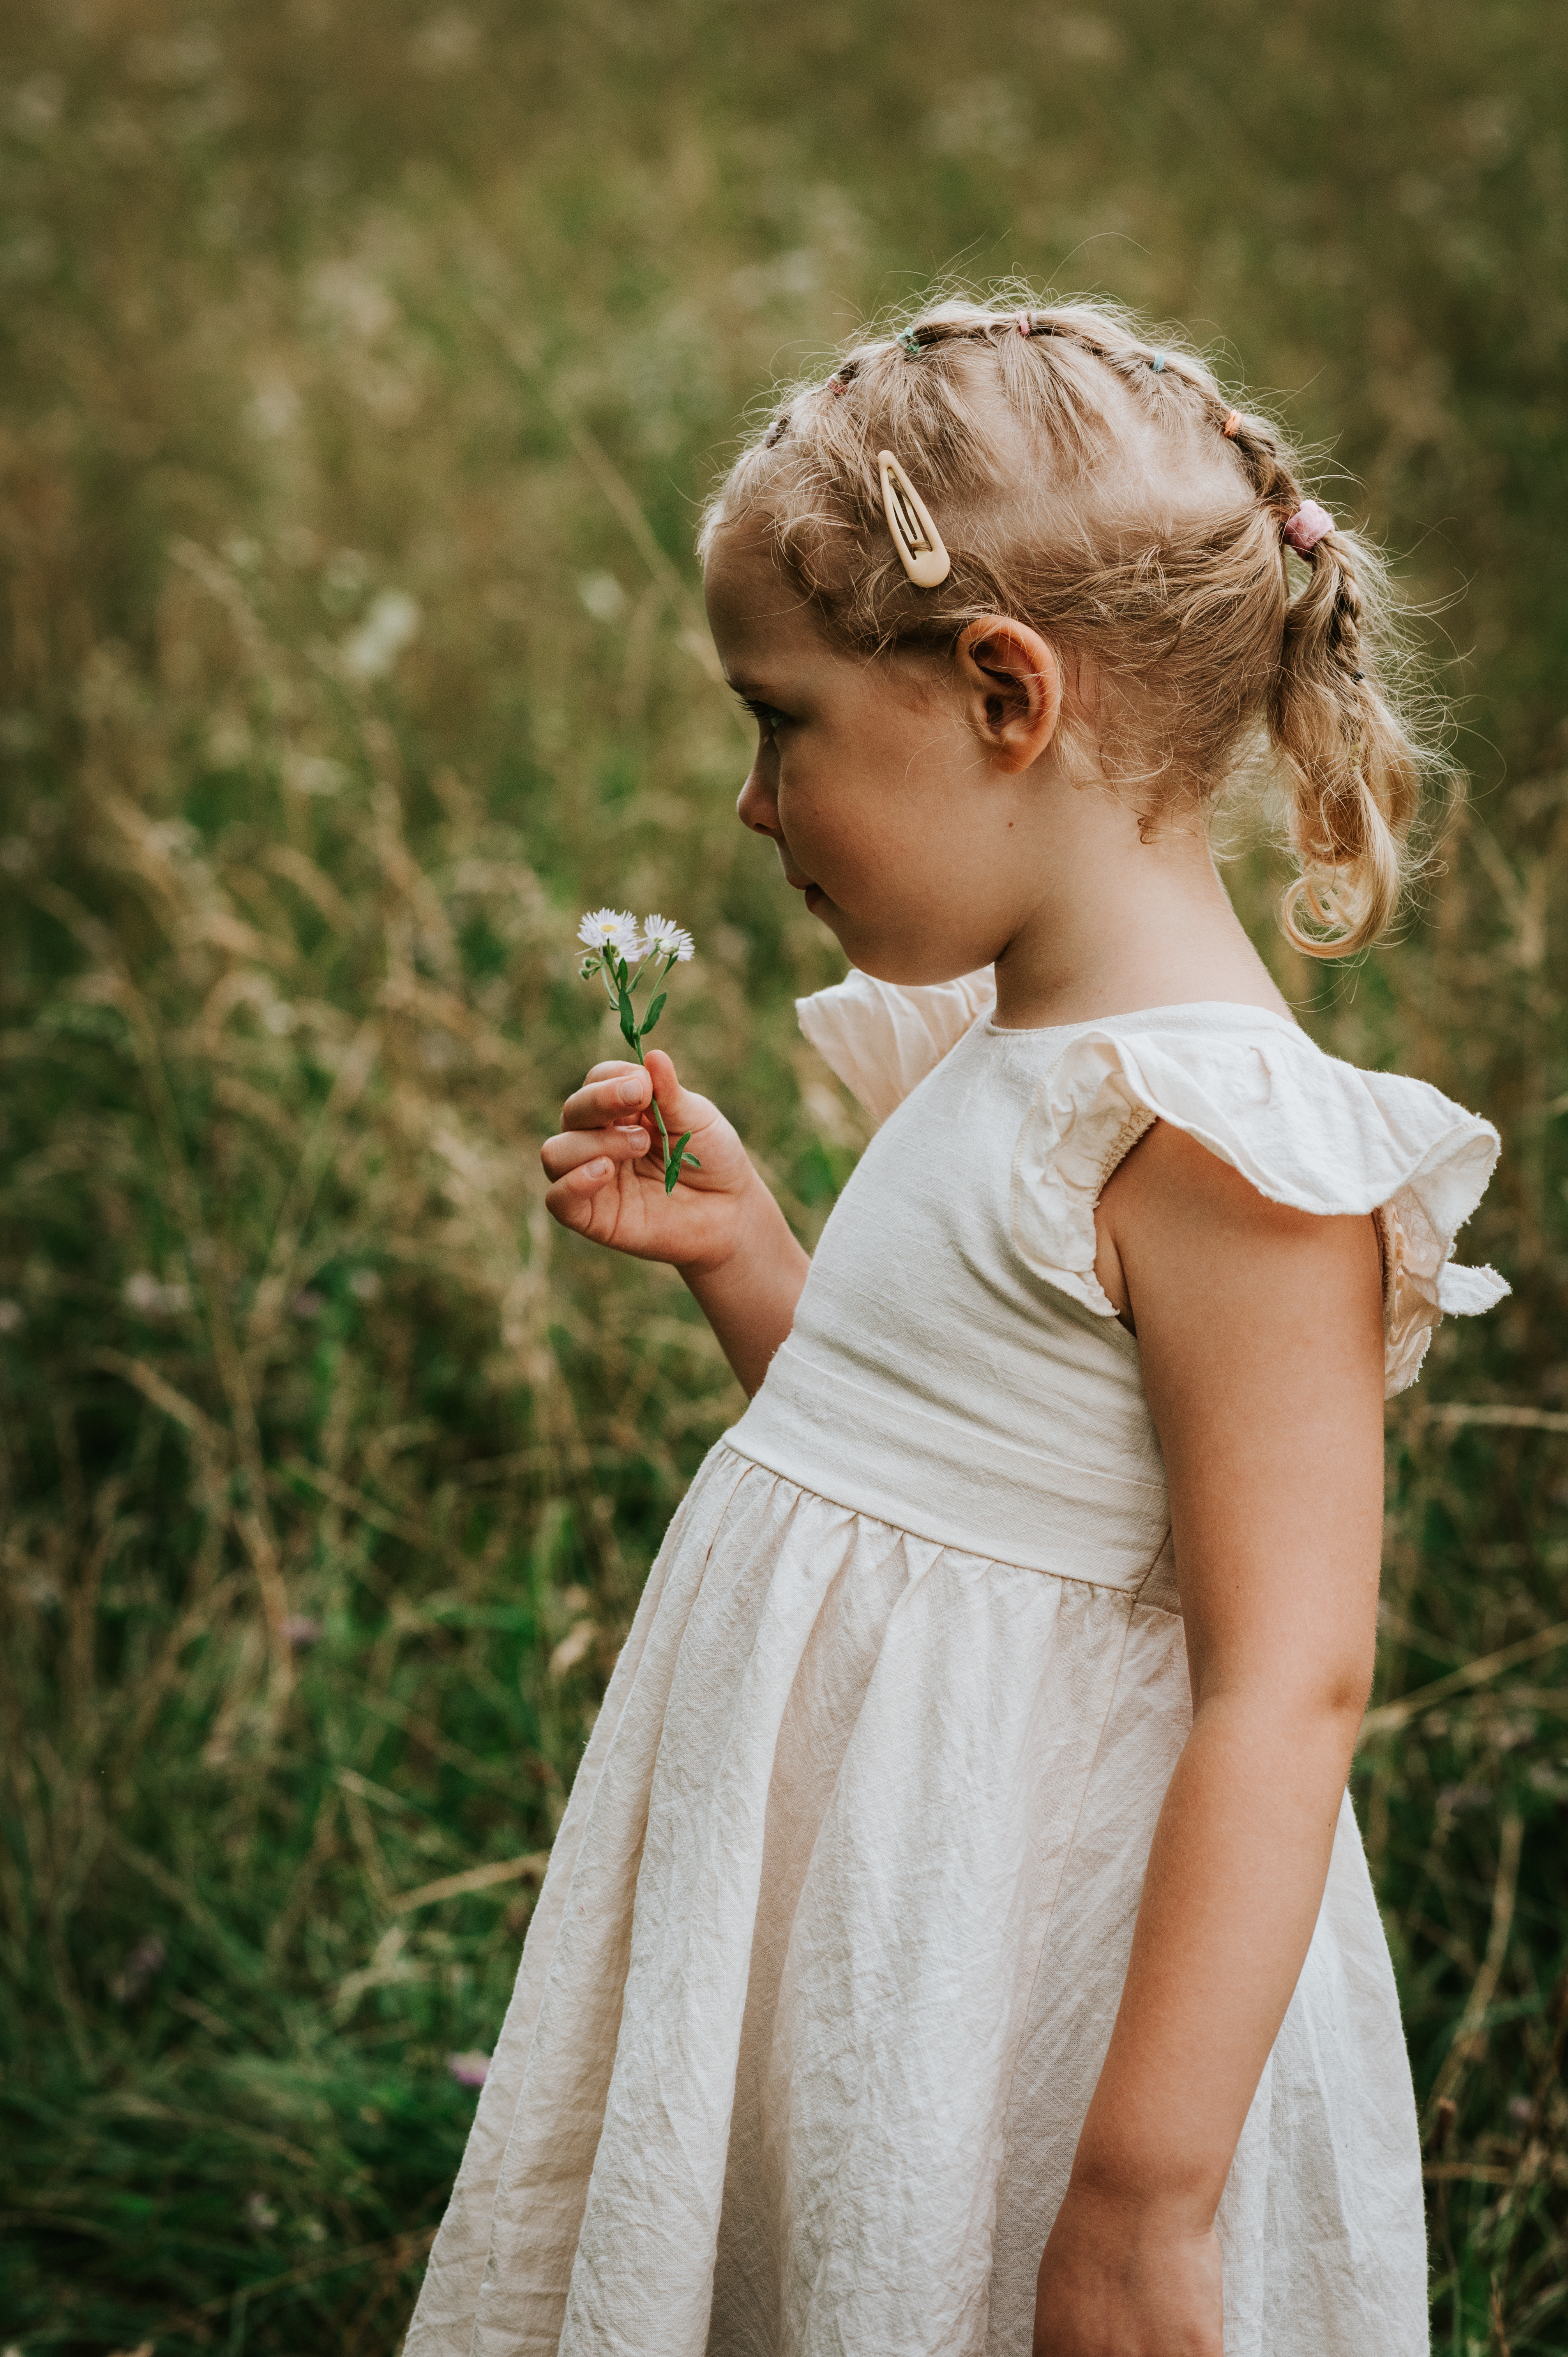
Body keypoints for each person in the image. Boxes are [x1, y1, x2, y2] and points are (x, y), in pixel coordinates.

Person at [405, 297, 1508, 2357]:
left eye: (781, 721)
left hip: (1013, 1984)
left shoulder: (1220, 1147)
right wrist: (757, 1273)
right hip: (844, 1902)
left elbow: (1294, 1678)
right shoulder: (1005, 1050)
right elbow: (950, 1502)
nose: (751, 803)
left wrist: (1136, 2205)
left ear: (1003, 692)